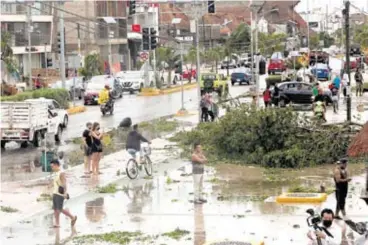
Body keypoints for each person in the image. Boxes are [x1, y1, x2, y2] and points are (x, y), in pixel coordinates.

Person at [50, 159, 77, 228]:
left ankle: (72, 217)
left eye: (52, 166)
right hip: (55, 192)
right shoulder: (55, 173)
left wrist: (65, 193)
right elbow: (55, 182)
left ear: (56, 165)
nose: (52, 168)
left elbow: (64, 183)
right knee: (55, 208)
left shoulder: (61, 173)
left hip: (60, 193)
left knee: (60, 209)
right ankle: (57, 223)